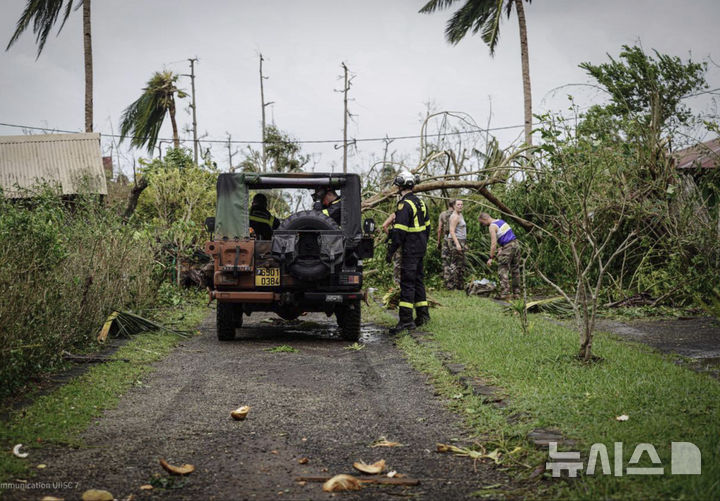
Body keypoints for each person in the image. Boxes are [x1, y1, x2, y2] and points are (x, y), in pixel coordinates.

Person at [386, 170, 430, 333]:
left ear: (400, 186)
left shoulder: (404, 205)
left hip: (410, 249)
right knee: (418, 281)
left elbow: (399, 231)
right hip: (420, 248)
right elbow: (428, 227)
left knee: (407, 283)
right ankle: (423, 316)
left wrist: (391, 251)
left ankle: (406, 321)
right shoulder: (421, 203)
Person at [479, 212, 520, 299]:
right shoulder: (501, 221)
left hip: (508, 247)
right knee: (515, 270)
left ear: (485, 219)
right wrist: (502, 248)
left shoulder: (492, 226)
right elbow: (506, 235)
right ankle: (517, 293)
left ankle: (505, 293)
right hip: (515, 244)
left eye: (482, 223)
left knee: (502, 268)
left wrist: (491, 257)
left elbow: (493, 243)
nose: (483, 225)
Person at [447, 199, 467, 290]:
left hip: (462, 240)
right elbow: (452, 231)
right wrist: (457, 244)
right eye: (458, 204)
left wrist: (464, 243)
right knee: (454, 263)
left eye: (461, 204)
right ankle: (451, 285)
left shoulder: (460, 215)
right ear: (454, 206)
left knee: (461, 263)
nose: (460, 206)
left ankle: (459, 285)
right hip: (456, 240)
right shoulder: (454, 216)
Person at [437, 200, 456, 290]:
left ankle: (447, 282)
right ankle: (454, 283)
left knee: (445, 260)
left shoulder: (442, 214)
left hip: (445, 239)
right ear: (454, 205)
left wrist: (438, 242)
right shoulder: (457, 214)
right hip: (456, 239)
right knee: (454, 260)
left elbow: (439, 229)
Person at [382, 212, 401, 285]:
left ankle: (397, 282)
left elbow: (384, 226)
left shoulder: (394, 214)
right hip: (406, 241)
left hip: (396, 241)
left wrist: (391, 235)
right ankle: (399, 282)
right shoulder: (406, 214)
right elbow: (384, 225)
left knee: (397, 263)